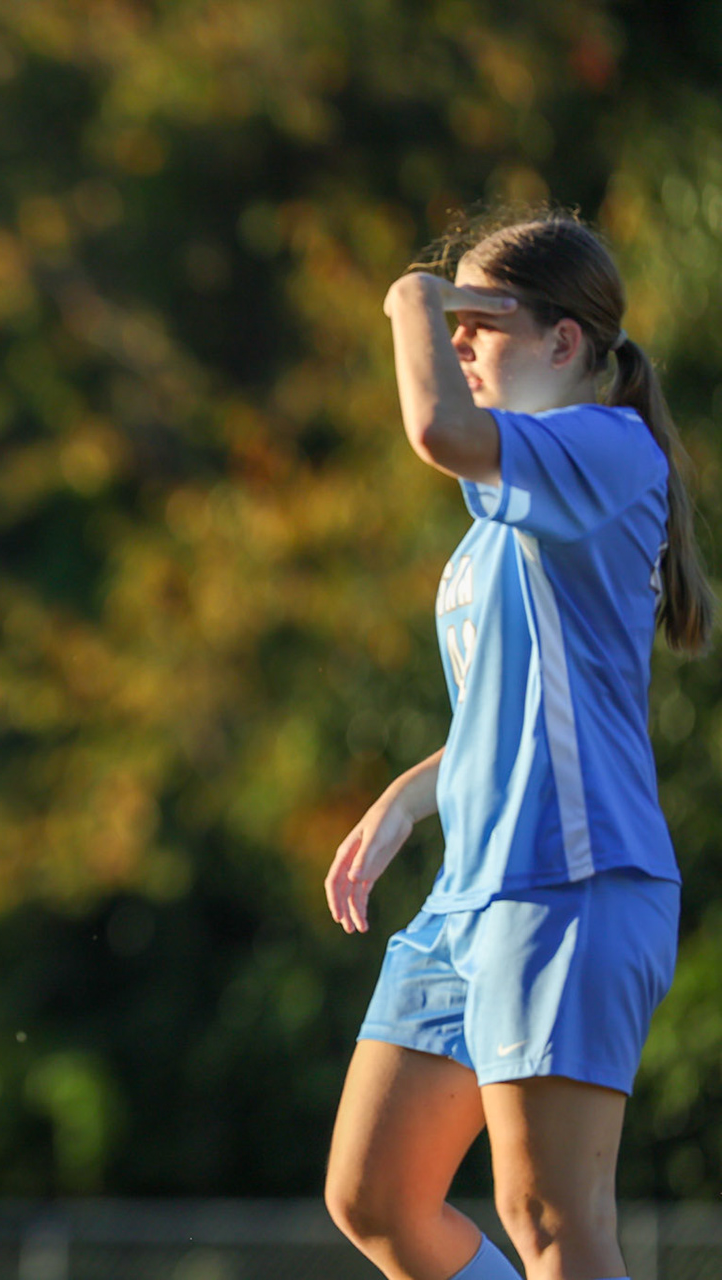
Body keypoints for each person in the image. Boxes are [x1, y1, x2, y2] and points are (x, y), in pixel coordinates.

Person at [322, 211, 712, 1280]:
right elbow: (516, 713)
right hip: (474, 892)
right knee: (379, 1193)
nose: (453, 342)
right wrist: (406, 798)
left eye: (476, 322)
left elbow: (437, 430)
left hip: (573, 883)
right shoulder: (500, 514)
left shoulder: (608, 446)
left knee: (549, 1218)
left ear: (565, 342)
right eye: (448, 323)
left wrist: (411, 292)